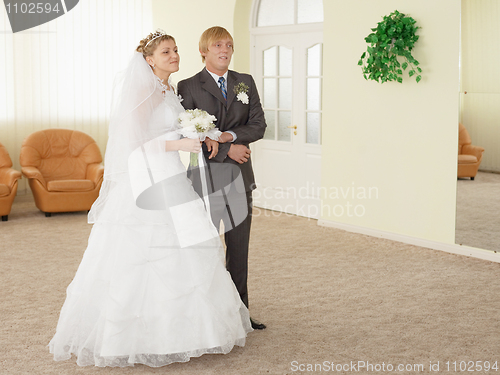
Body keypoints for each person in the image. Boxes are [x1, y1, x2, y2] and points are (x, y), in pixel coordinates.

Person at [48, 30, 252, 368]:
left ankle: (189, 331)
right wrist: (178, 145)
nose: (174, 56)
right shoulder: (142, 90)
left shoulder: (168, 89)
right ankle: (130, 337)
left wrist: (200, 134)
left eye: (175, 50)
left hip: (171, 175)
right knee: (141, 251)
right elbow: (133, 143)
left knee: (186, 246)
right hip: (148, 177)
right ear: (149, 59)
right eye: (166, 52)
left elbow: (169, 129)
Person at [178, 26, 267, 330]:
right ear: (203, 51)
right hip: (205, 179)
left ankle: (240, 313)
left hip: (241, 179)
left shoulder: (246, 82)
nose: (225, 50)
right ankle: (204, 315)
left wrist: (229, 136)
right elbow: (187, 133)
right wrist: (227, 150)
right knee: (205, 248)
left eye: (229, 45)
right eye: (218, 45)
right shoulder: (187, 86)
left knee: (239, 249)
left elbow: (259, 125)